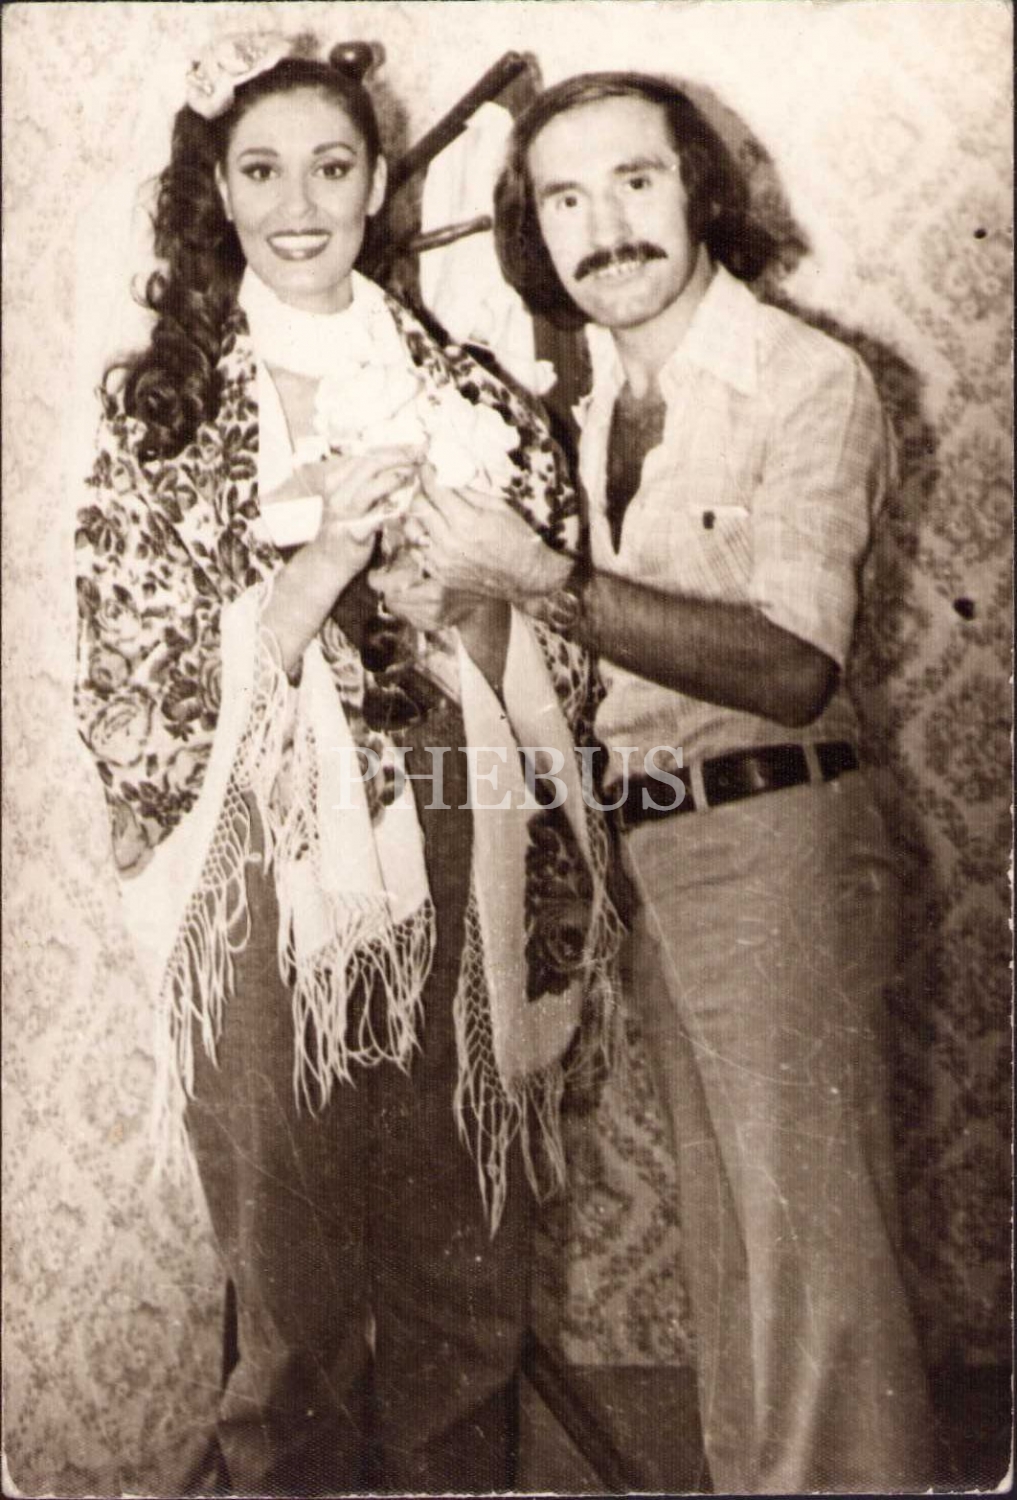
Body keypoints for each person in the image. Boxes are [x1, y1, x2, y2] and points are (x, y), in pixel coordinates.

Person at [74, 35, 619, 1496]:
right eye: (262, 172)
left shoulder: (478, 401)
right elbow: (134, 688)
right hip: (258, 850)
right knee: (295, 1290)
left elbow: (559, 665)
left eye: (331, 167)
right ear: (220, 191)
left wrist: (472, 608)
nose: (299, 204)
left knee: (465, 1265)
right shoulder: (167, 410)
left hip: (456, 818)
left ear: (378, 183)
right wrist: (317, 565)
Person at [409, 70, 937, 1495]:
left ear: (701, 189)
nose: (604, 228)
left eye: (634, 182)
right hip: (649, 860)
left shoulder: (806, 380)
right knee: (740, 1275)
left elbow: (793, 667)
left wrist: (541, 580)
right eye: (563, 200)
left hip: (778, 838)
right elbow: (568, 657)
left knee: (818, 1284)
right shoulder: (584, 411)